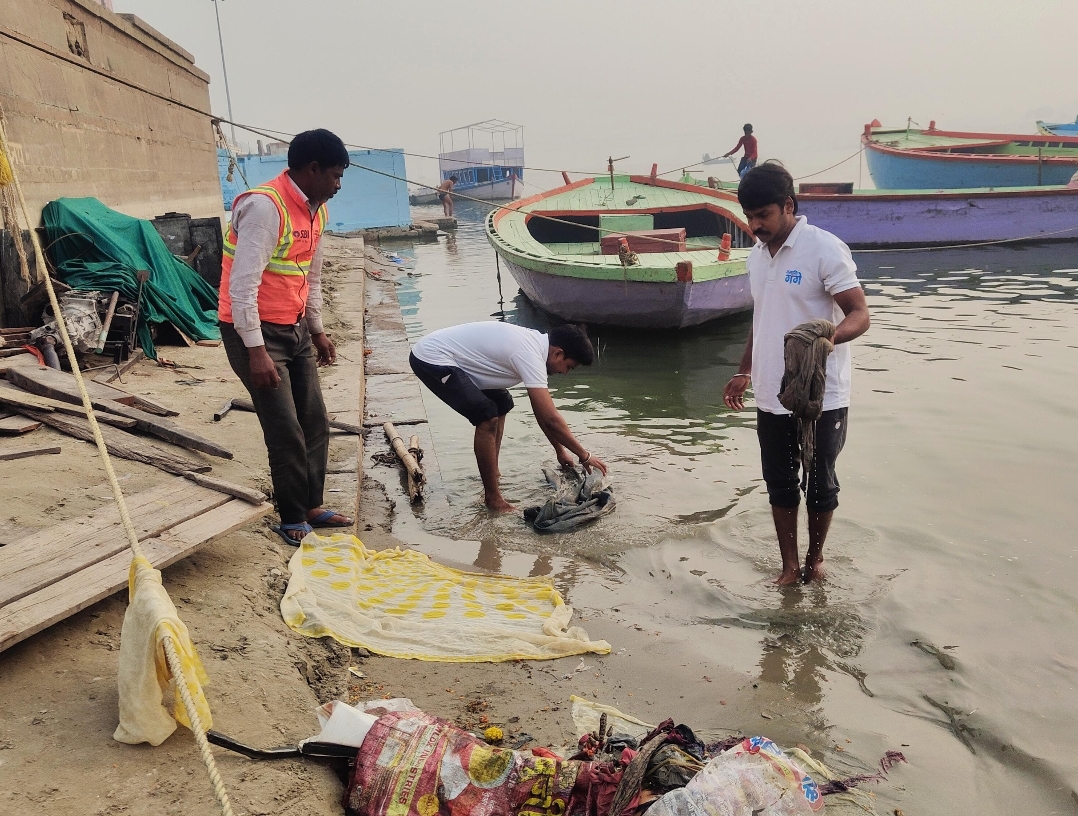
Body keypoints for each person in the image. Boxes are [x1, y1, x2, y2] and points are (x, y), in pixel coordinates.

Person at [723, 161, 870, 585]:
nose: (755, 226)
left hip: (822, 393)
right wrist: (744, 370)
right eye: (749, 218)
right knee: (780, 483)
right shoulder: (755, 256)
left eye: (763, 215)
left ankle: (815, 560)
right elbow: (762, 318)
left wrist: (828, 341)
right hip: (772, 391)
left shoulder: (824, 249)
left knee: (821, 484)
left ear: (788, 205)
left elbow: (860, 314)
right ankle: (788, 567)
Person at [218, 128, 354, 545]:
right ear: (311, 169)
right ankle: (292, 514)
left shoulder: (317, 210)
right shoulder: (265, 207)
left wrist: (317, 330)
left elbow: (310, 276)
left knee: (314, 418)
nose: (338, 184)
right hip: (255, 333)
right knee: (284, 427)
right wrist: (256, 352)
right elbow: (242, 287)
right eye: (334, 174)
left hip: (293, 327)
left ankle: (313, 503)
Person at [409, 322, 608, 512]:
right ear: (558, 353)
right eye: (568, 367)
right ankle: (493, 499)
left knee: (502, 403)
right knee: (487, 417)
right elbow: (550, 418)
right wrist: (584, 455)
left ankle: (492, 473)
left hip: (458, 361)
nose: (564, 373)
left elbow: (542, 414)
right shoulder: (529, 354)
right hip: (431, 358)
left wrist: (560, 450)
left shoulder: (535, 346)